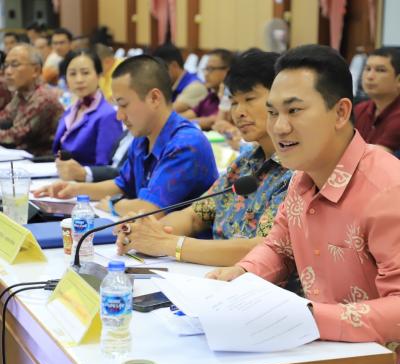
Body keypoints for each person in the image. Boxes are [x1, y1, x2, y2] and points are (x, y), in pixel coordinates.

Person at [207, 44, 400, 364]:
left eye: (294, 110)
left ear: (340, 112)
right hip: (325, 357)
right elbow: (279, 245)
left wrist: (312, 317)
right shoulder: (302, 176)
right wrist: (242, 273)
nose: (279, 127)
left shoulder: (387, 190)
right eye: (272, 112)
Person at [116, 50, 292, 267]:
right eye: (233, 102)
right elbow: (195, 216)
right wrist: (144, 233)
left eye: (249, 99)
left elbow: (263, 248)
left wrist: (167, 244)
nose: (239, 112)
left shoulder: (295, 170)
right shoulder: (244, 163)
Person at [33, 55, 218, 217]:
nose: (119, 116)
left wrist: (115, 205)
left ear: (154, 98)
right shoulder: (142, 136)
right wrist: (75, 189)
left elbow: (150, 209)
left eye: (124, 105)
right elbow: (122, 184)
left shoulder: (185, 144)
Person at [52, 50, 123, 174]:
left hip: (88, 182)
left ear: (99, 75)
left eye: (85, 73)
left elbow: (105, 167)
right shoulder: (70, 110)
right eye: (72, 74)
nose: (79, 80)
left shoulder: (108, 115)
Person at [0, 44, 63, 155]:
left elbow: (14, 137)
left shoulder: (43, 98)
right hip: (22, 155)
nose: (8, 72)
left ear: (36, 70)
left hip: (41, 160)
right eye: (6, 65)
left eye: (15, 65)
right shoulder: (21, 93)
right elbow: (4, 117)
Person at [354, 46, 400, 154]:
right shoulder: (360, 109)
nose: (370, 76)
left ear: (398, 80)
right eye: (367, 69)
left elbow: (377, 157)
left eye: (380, 70)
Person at [181, 49, 234, 130]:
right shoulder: (210, 96)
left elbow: (215, 122)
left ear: (227, 71)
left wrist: (183, 123)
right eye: (205, 69)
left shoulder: (232, 98)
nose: (205, 74)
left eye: (210, 69)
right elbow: (187, 115)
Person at [152, 43, 207, 113]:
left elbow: (164, 113)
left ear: (174, 65)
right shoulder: (171, 84)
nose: (158, 75)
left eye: (160, 69)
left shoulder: (195, 87)